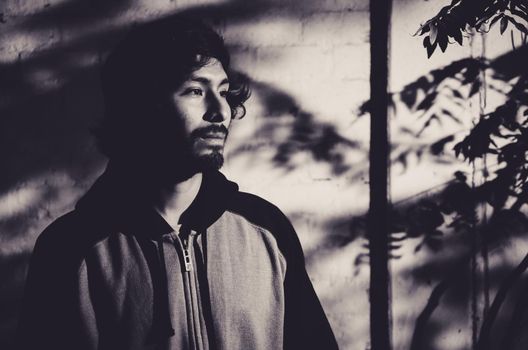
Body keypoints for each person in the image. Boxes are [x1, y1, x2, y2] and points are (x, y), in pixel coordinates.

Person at [16, 15, 338, 350]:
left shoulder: (266, 229)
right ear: (143, 105)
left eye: (224, 92)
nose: (220, 111)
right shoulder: (70, 248)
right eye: (196, 91)